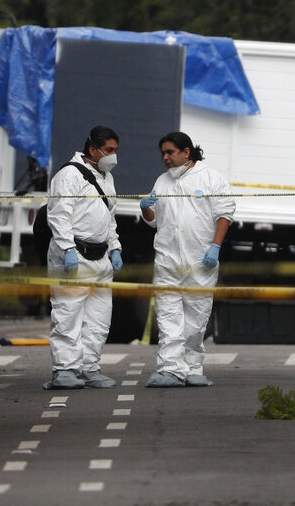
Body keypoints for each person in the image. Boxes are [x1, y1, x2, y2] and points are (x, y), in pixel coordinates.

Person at [140, 131, 235, 387]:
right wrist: (145, 207)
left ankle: (193, 367)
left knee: (196, 316)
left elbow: (224, 214)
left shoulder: (210, 178)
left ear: (186, 152)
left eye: (170, 152)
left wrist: (215, 246)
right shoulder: (162, 182)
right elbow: (154, 222)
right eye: (163, 153)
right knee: (168, 315)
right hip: (167, 259)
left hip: (199, 259)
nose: (165, 158)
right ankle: (170, 369)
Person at [43, 126, 124, 390]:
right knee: (68, 315)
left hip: (100, 258)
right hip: (75, 254)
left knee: (99, 319)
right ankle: (65, 369)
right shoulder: (69, 175)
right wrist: (67, 249)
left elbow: (108, 218)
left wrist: (115, 248)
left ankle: (89, 368)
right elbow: (58, 215)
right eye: (109, 150)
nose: (113, 156)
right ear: (93, 149)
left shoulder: (106, 178)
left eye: (115, 150)